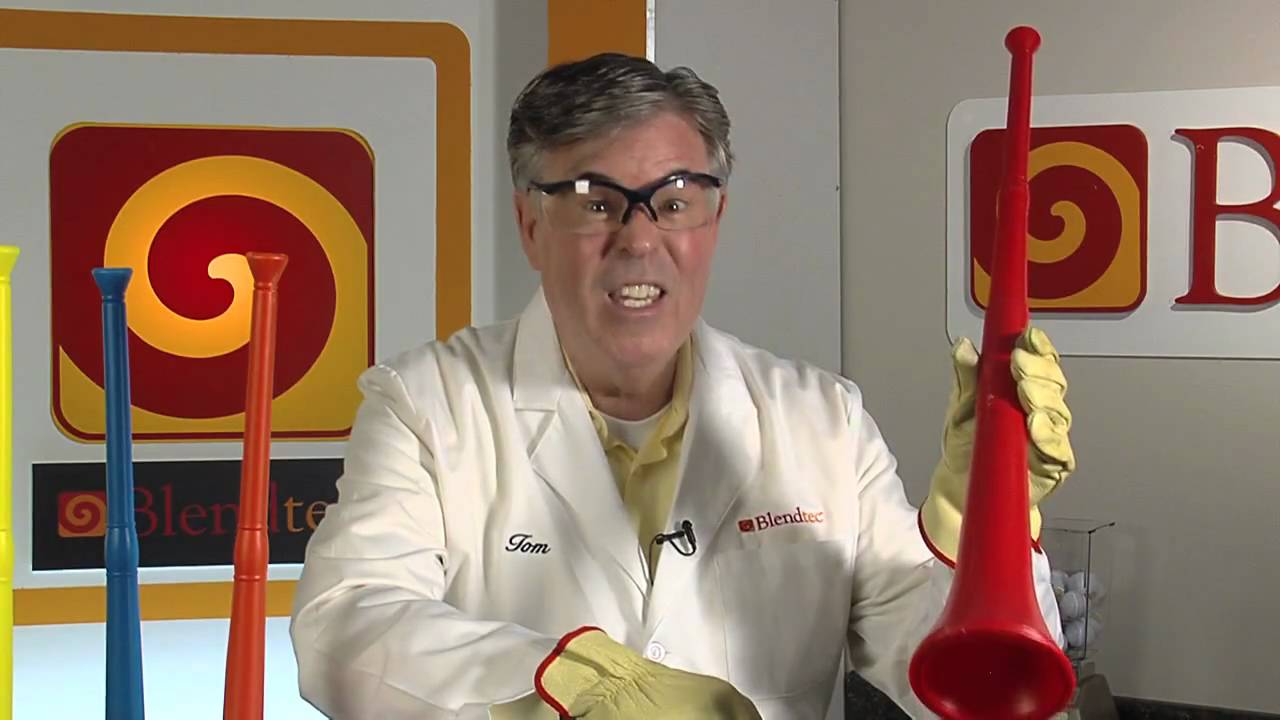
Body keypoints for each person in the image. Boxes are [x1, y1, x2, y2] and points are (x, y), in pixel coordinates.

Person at [290, 52, 1074, 720]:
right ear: (531, 225)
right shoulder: (430, 404)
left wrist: (982, 529)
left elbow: (962, 684)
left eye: (672, 203)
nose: (639, 241)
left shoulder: (821, 421)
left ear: (714, 218)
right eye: (596, 203)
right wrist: (578, 687)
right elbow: (345, 628)